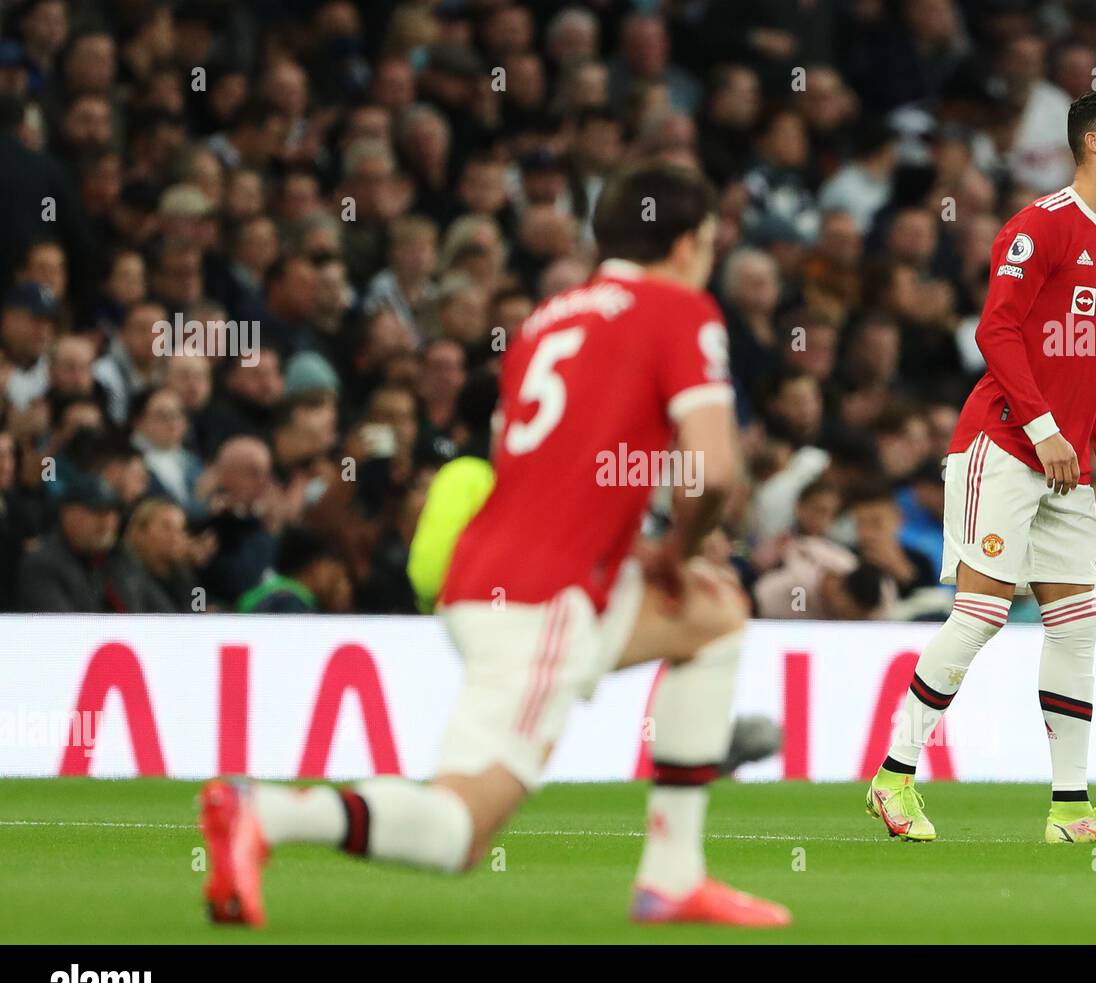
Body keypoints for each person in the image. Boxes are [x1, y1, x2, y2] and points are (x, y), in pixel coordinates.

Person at [199, 162, 791, 928]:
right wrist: (681, 548)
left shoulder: (550, 318)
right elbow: (713, 474)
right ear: (686, 243)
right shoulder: (680, 310)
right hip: (544, 600)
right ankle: (268, 815)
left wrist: (633, 553)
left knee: (713, 615)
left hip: (496, 573)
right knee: (459, 831)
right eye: (708, 242)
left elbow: (542, 470)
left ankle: (674, 876)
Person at [865, 87, 1096, 846]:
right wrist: (1044, 426)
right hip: (1002, 447)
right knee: (983, 611)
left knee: (1075, 622)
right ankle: (894, 778)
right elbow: (997, 330)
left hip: (1067, 467)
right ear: (1093, 144)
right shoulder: (1041, 226)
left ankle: (1070, 810)